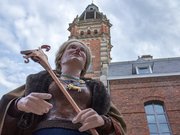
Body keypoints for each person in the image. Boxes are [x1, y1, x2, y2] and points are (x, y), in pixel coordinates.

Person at [0, 39, 126, 135]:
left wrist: (103, 121)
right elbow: (7, 104)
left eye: (82, 51)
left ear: (85, 65)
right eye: (72, 47)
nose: (77, 50)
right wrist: (19, 104)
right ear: (60, 58)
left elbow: (117, 122)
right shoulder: (41, 79)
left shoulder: (96, 88)